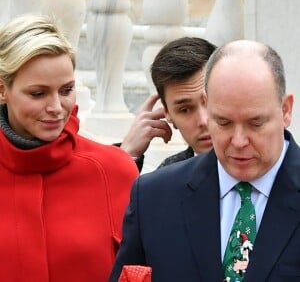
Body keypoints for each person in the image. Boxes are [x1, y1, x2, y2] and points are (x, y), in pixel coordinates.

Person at [109, 39, 299, 282]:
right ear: (209, 108)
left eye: (255, 123)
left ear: (285, 110)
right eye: (223, 122)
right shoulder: (153, 198)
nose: (239, 141)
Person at [0, 14, 138, 281]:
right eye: (38, 93)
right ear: (3, 90)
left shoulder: (116, 170)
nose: (55, 108)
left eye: (66, 90)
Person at [120, 37, 217, 170]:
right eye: (185, 109)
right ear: (168, 114)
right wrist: (127, 156)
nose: (204, 121)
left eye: (210, 101)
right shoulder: (166, 179)